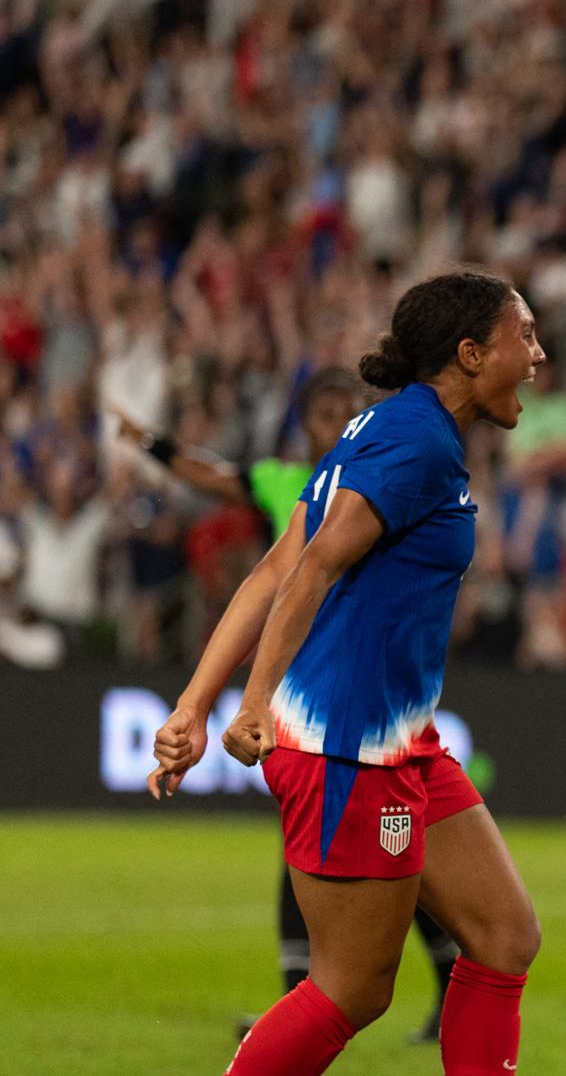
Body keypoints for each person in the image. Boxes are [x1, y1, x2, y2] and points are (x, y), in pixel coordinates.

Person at [127, 271, 566, 1076]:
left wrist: (193, 704)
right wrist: (245, 703)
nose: (540, 354)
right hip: (343, 746)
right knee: (350, 989)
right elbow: (309, 567)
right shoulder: (416, 438)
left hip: (399, 740)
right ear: (470, 352)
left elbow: (274, 563)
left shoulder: (391, 430)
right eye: (526, 334)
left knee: (504, 933)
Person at [116, 369, 464, 1041]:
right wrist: (153, 445)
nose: (339, 417)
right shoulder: (292, 482)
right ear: (305, 421)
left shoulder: (388, 472)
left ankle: (321, 999)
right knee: (366, 847)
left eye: (348, 408)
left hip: (358, 680)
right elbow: (221, 490)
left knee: (390, 848)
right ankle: (307, 998)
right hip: (305, 675)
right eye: (326, 409)